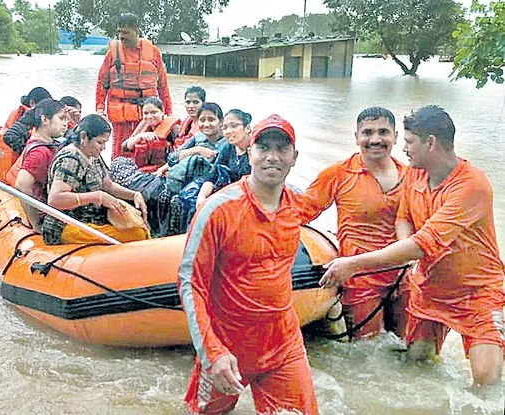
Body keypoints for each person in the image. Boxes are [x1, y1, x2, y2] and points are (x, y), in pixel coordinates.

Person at [320, 106, 505, 387]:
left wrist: (353, 263)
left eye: (408, 142)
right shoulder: (416, 174)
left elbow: (423, 242)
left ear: (430, 143)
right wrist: (406, 254)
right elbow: (404, 217)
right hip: (430, 287)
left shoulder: (472, 185)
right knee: (416, 365)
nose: (403, 149)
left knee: (486, 383)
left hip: (477, 291)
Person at [178, 114, 319, 414]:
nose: (272, 157)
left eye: (282, 149)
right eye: (264, 147)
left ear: (295, 157)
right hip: (227, 345)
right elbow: (191, 283)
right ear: (250, 152)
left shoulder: (297, 204)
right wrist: (211, 352)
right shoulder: (217, 210)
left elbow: (336, 189)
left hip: (283, 344)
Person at [301, 107, 407, 339]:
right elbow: (300, 212)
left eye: (383, 132)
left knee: (411, 350)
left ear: (396, 137)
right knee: (367, 354)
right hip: (360, 280)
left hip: (403, 276)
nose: (375, 139)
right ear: (356, 137)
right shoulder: (338, 174)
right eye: (367, 132)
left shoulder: (411, 176)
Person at [42, 114, 149, 245]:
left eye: (105, 143)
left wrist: (134, 195)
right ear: (83, 137)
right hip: (68, 224)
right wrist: (98, 197)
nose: (103, 148)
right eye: (100, 142)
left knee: (139, 226)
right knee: (138, 235)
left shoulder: (92, 154)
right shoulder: (71, 159)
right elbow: (55, 199)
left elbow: (108, 185)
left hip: (93, 219)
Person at [95, 12, 172, 159]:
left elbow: (163, 86)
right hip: (120, 114)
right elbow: (101, 83)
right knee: (120, 152)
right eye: (119, 32)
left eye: (125, 32)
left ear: (136, 30)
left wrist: (167, 112)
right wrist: (99, 110)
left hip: (147, 114)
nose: (121, 36)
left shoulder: (154, 52)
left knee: (146, 150)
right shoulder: (112, 53)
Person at [11, 99, 67, 231]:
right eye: (61, 119)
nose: (66, 124)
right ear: (45, 120)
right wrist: (35, 223)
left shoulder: (48, 144)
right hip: (46, 215)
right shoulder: (39, 152)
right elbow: (22, 184)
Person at [196, 109, 252, 206]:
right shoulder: (228, 147)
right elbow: (212, 176)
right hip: (225, 196)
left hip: (246, 202)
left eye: (234, 126)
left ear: (247, 128)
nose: (228, 131)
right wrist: (201, 197)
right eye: (225, 128)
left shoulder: (257, 150)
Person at [120, 97, 180, 172]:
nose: (149, 116)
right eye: (146, 113)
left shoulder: (174, 129)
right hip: (143, 169)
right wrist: (140, 136)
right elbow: (125, 148)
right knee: (118, 163)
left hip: (165, 170)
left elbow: (181, 154)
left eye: (153, 112)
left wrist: (161, 170)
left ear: (162, 112)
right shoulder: (144, 127)